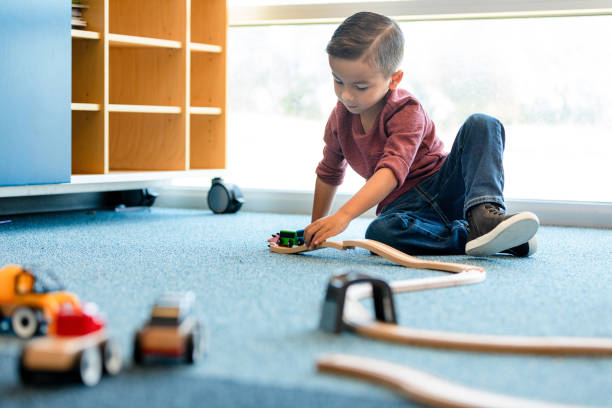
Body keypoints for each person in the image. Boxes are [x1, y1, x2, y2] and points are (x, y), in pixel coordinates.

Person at [303, 11, 539, 257]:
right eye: (338, 81)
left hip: (445, 186)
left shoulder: (407, 110)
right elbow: (329, 172)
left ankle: (484, 217)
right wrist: (315, 228)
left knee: (482, 123)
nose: (347, 95)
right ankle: (481, 237)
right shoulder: (339, 119)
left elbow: (393, 169)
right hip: (403, 207)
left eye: (361, 86)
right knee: (380, 233)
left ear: (394, 79)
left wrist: (344, 215)